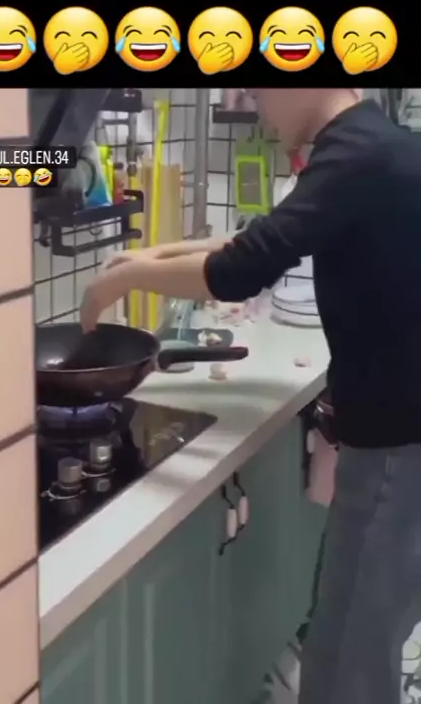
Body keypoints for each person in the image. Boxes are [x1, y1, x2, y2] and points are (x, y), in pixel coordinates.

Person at [81, 88, 421, 704]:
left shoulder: (357, 154)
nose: (260, 108)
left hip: (401, 445)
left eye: (261, 91)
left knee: (356, 654)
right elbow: (264, 238)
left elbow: (242, 268)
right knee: (340, 638)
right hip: (392, 436)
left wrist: (127, 280)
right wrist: (153, 255)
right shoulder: (367, 143)